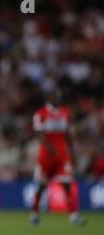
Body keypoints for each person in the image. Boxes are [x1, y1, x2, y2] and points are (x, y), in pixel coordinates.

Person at [30, 88, 86, 226]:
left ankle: (73, 215)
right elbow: (37, 133)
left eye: (59, 96)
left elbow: (68, 135)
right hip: (46, 156)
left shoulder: (65, 113)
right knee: (42, 186)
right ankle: (35, 214)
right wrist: (49, 147)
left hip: (62, 155)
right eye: (55, 96)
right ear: (49, 98)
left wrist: (72, 154)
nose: (58, 98)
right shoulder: (41, 113)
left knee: (67, 184)